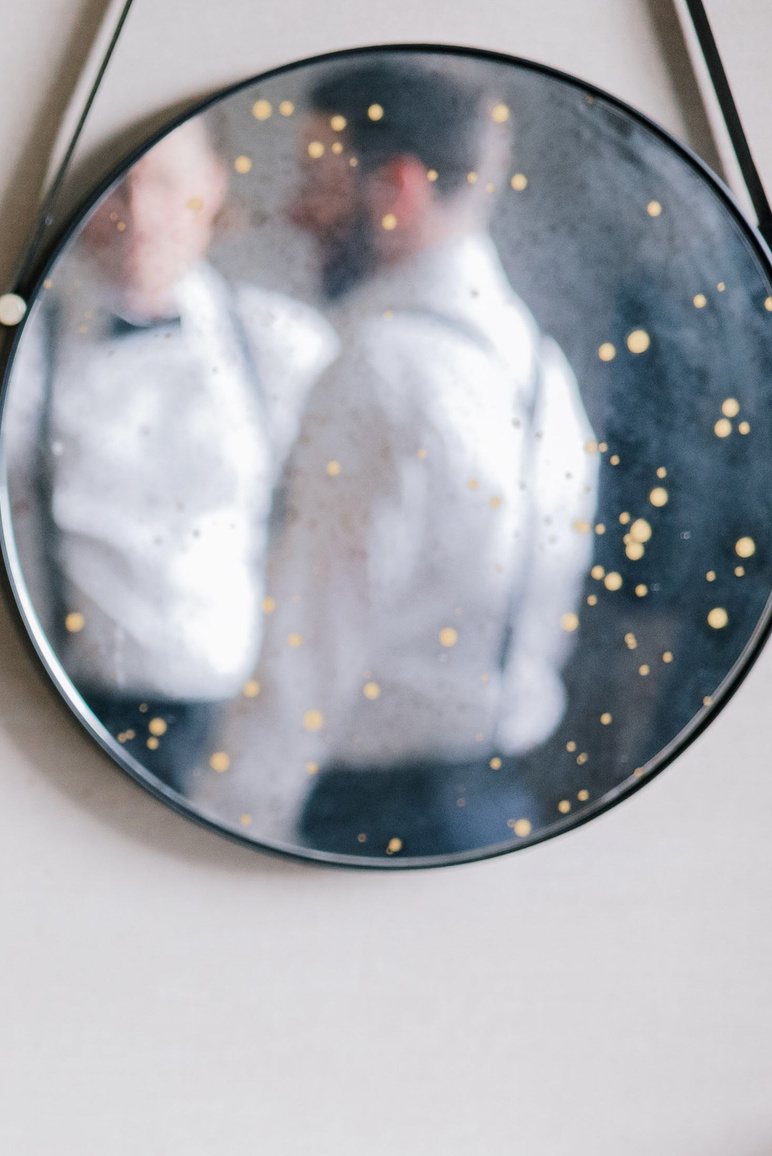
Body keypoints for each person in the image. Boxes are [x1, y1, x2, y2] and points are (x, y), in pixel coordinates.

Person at [190, 62, 597, 854]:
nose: (293, 211)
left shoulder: (379, 368)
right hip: (502, 809)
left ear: (399, 186)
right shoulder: (538, 361)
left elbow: (306, 655)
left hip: (371, 816)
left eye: (317, 177)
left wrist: (220, 835)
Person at [3, 118, 336, 790]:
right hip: (61, 704)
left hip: (232, 717)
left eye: (166, 184)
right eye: (117, 190)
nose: (140, 216)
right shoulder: (22, 356)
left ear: (213, 187)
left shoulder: (285, 348)